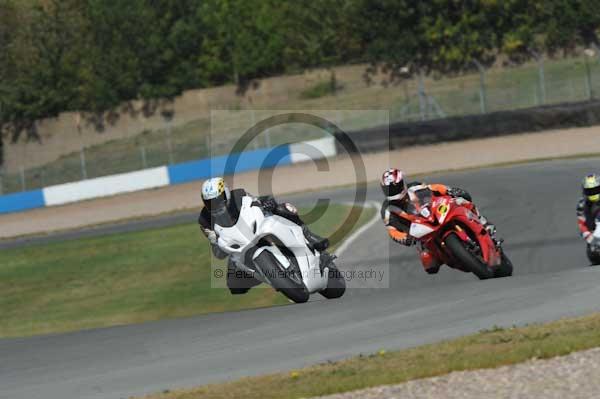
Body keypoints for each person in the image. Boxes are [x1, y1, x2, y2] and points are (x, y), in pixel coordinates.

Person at [198, 177, 329, 294]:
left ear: (226, 193)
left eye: (218, 200)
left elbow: (255, 201)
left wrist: (266, 203)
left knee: (282, 208)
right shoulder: (204, 220)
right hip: (238, 247)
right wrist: (215, 242)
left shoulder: (238, 195)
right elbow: (218, 253)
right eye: (209, 203)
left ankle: (310, 235)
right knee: (235, 287)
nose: (215, 205)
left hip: (256, 228)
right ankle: (270, 275)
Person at [380, 168, 498, 274]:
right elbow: (392, 231)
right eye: (388, 189)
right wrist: (405, 238)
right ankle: (449, 257)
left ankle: (483, 222)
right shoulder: (387, 209)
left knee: (461, 201)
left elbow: (435, 188)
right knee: (429, 263)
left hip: (434, 214)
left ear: (401, 183)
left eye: (394, 187)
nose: (392, 191)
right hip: (419, 232)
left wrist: (451, 190)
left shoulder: (415, 187)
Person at [577, 173, 600, 245]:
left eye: (595, 190)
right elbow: (581, 222)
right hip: (593, 232)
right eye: (590, 191)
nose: (593, 193)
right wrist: (588, 236)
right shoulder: (582, 204)